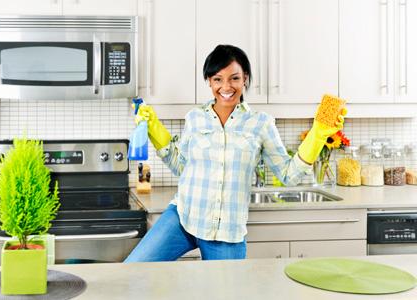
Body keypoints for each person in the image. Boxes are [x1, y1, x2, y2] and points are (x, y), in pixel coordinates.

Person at [124, 44, 345, 262]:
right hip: (183, 217)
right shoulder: (195, 118)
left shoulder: (261, 123)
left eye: (234, 78)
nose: (226, 86)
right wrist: (153, 127)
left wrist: (317, 135)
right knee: (133, 270)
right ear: (209, 81)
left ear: (245, 79)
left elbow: (289, 174)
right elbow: (180, 166)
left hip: (226, 233)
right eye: (217, 79)